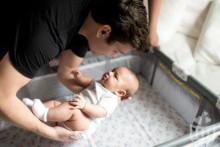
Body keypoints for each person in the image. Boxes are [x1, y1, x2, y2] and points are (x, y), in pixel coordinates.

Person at [0, 0, 161, 142]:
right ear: (104, 31)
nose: (113, 56)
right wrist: (51, 132)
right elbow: (2, 98)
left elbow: (67, 72)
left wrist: (100, 95)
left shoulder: (94, 20)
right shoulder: (46, 37)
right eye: (117, 50)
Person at [22, 66, 139, 139]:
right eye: (113, 70)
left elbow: (101, 112)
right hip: (69, 118)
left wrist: (85, 105)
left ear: (119, 92)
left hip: (83, 125)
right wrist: (79, 78)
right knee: (54, 103)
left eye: (115, 76)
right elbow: (88, 82)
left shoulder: (110, 98)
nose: (110, 73)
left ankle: (43, 115)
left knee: (72, 108)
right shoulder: (100, 84)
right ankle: (37, 108)